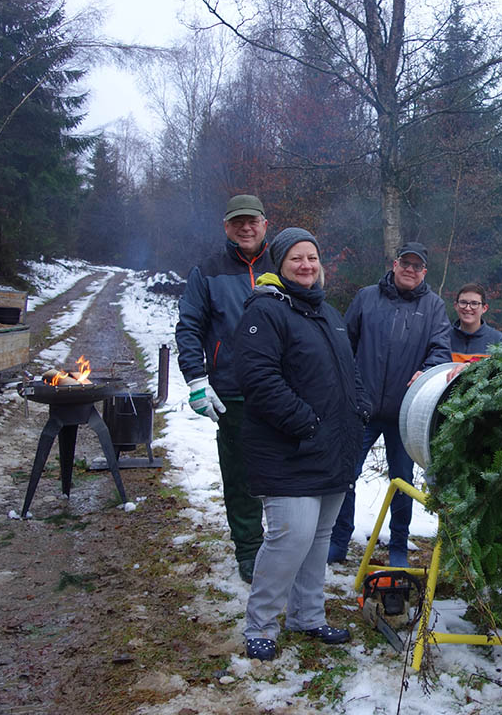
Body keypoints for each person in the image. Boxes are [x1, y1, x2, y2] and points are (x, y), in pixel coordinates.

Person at [232, 228, 371, 660]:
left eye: (312, 257)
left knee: (318, 538)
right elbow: (258, 381)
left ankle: (307, 616)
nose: (306, 265)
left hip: (333, 446)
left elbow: (349, 369)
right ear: (280, 263)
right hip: (289, 448)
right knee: (290, 537)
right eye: (296, 258)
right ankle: (260, 623)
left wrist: (360, 404)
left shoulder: (328, 312)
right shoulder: (266, 311)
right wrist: (306, 424)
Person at [328, 242, 451, 568]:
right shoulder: (367, 297)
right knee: (345, 476)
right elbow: (343, 342)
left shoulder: (434, 306)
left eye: (417, 266)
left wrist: (425, 371)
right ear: (395, 264)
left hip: (405, 414)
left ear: (424, 272)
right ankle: (338, 541)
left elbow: (441, 351)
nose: (410, 270)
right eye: (405, 263)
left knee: (403, 482)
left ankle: (398, 545)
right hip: (362, 409)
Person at [175, 194, 274, 583]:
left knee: (287, 474)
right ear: (226, 227)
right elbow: (189, 326)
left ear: (266, 223)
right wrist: (197, 379)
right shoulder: (208, 271)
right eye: (237, 222)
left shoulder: (284, 263)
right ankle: (249, 550)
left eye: (252, 221)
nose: (245, 228)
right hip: (233, 392)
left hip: (281, 391)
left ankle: (286, 546)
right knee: (241, 477)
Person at [449, 282, 502, 360]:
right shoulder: (443, 338)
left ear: (484, 308)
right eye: (463, 302)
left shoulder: (499, 341)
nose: (468, 308)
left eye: (474, 303)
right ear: (456, 306)